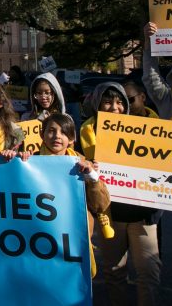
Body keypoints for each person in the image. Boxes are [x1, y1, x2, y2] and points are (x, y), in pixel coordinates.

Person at [80, 82, 160, 306]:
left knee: (148, 272)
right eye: (107, 101)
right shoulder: (85, 131)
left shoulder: (146, 129)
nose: (113, 107)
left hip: (142, 213)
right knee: (114, 272)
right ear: (98, 104)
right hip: (109, 213)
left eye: (118, 102)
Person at [35, 113, 110, 279]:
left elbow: (100, 205)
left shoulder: (82, 163)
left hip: (74, 243)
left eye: (64, 132)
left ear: (72, 138)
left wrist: (92, 178)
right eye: (51, 131)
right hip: (39, 241)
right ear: (42, 134)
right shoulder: (29, 162)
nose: (57, 136)